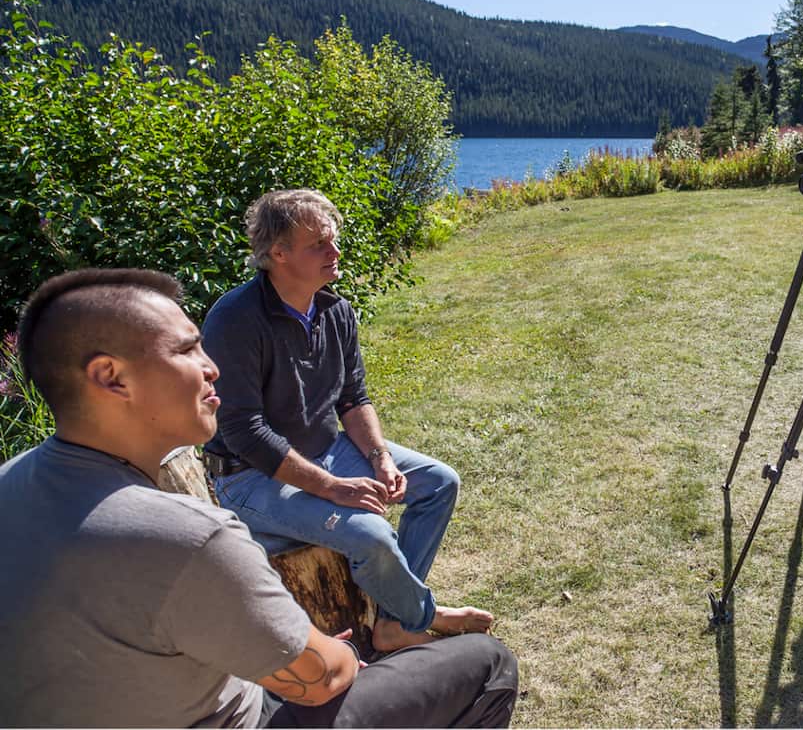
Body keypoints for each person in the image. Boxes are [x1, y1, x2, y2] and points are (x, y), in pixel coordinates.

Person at [0, 269, 518, 727]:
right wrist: (327, 656)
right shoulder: (191, 537)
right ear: (111, 377)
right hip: (249, 716)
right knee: (486, 662)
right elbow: (320, 679)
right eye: (185, 350)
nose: (212, 367)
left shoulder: (10, 484)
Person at [202, 189, 492, 654]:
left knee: (439, 482)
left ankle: (394, 622)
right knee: (371, 535)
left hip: (325, 451)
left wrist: (379, 459)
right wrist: (333, 487)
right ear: (277, 254)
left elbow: (353, 400)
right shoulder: (235, 319)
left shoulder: (334, 310)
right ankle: (425, 616)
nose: (335, 253)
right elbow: (244, 433)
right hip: (252, 479)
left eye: (334, 240)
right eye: (318, 244)